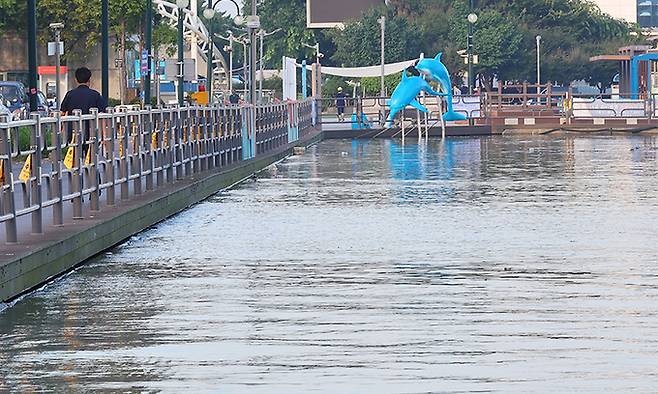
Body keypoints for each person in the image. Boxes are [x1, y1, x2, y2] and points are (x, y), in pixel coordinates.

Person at [60, 67, 107, 144]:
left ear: (76, 80)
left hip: (73, 134)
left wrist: (62, 130)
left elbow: (63, 113)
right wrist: (103, 136)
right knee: (91, 154)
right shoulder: (95, 95)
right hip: (91, 133)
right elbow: (102, 115)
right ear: (89, 80)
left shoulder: (70, 94)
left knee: (75, 154)